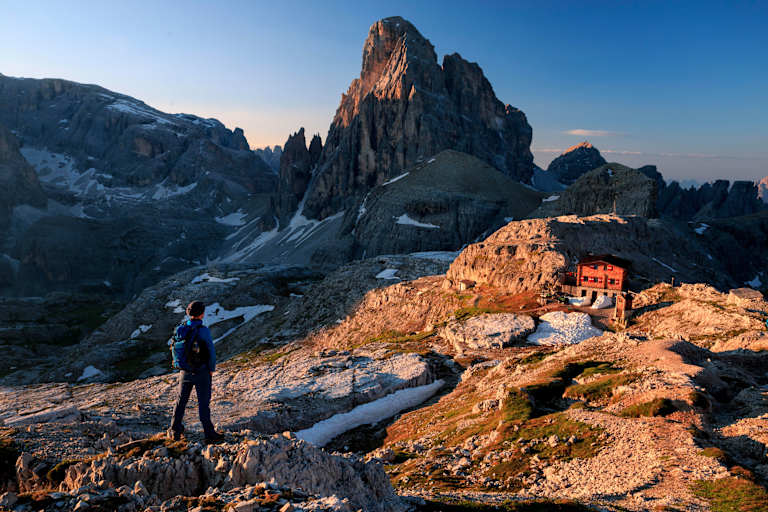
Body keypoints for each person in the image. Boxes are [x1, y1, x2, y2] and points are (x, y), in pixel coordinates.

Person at [168, 301, 224, 443]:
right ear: (201, 313)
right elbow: (211, 351)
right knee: (203, 403)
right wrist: (211, 369)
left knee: (181, 400)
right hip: (201, 372)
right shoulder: (203, 330)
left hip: (184, 371)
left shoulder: (181, 328)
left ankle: (175, 429)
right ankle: (209, 434)